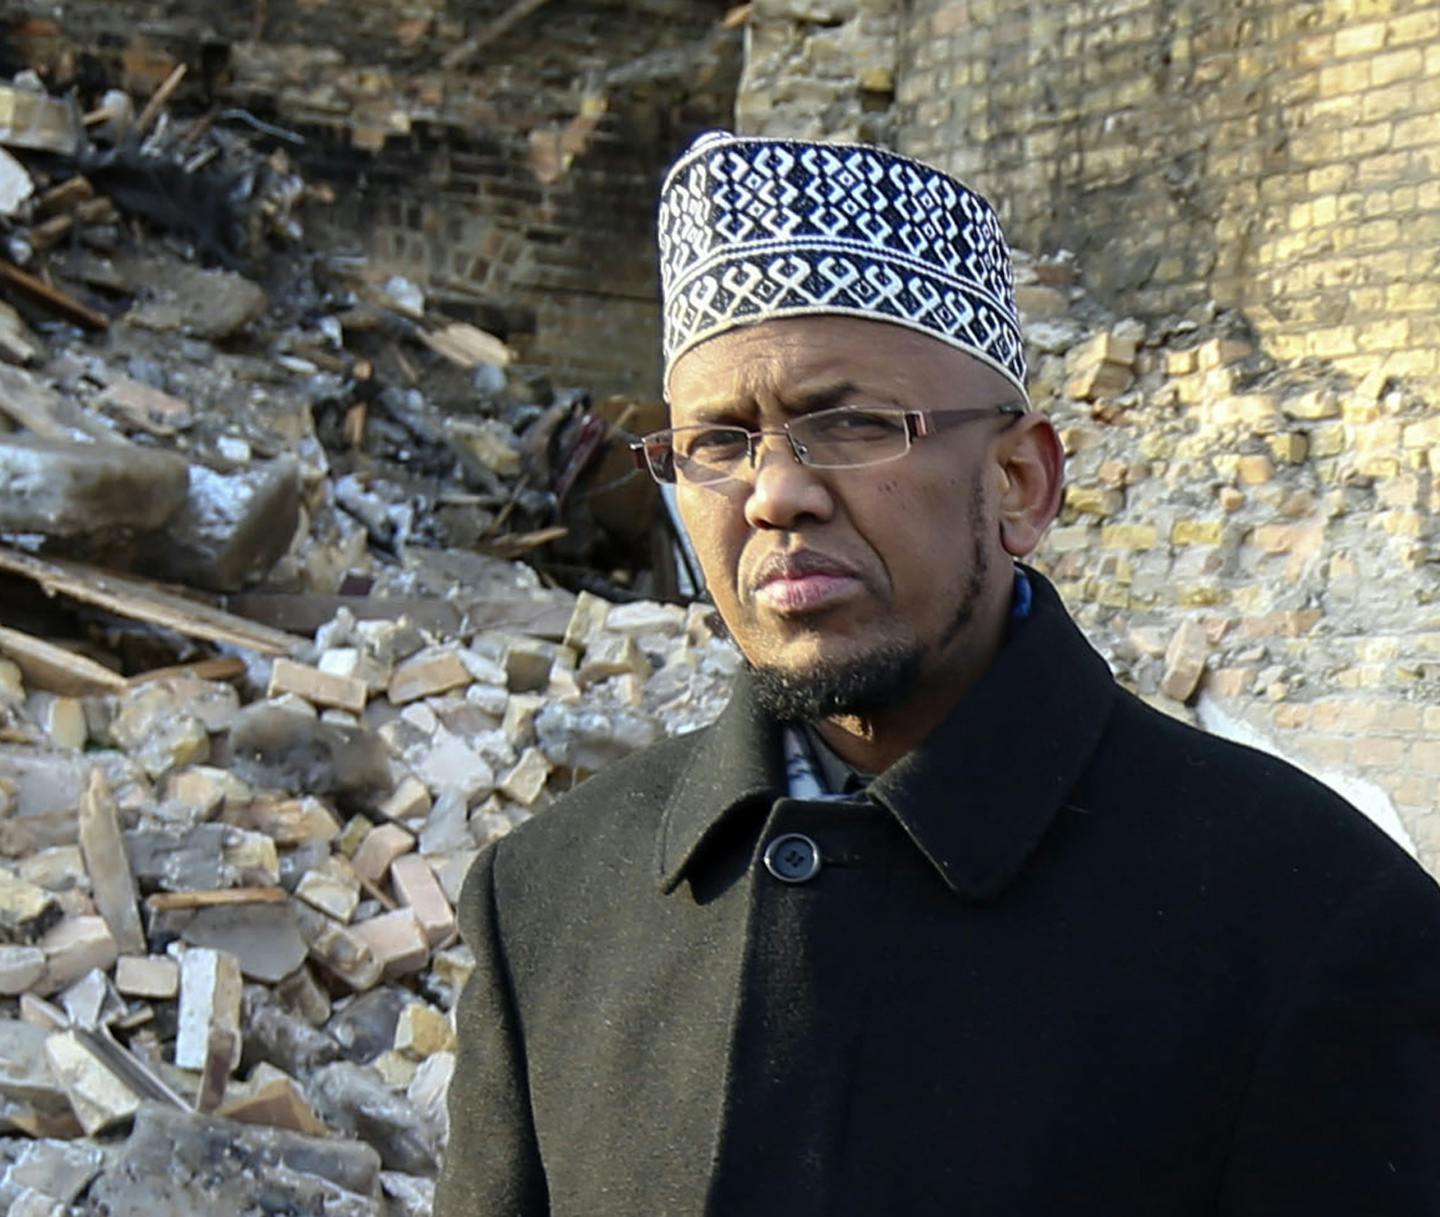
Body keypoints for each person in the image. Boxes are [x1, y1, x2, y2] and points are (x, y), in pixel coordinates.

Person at [434, 132, 1440, 1216]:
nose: (774, 494)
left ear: (1019, 481)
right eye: (719, 443)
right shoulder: (549, 903)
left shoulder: (1315, 920)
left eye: (851, 422)